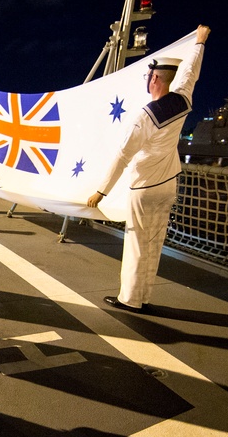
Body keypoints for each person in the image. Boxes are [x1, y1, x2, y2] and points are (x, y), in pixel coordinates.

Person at [86, 25, 211, 312]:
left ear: (155, 78)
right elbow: (191, 73)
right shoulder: (183, 101)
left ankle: (129, 300)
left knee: (136, 245)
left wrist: (100, 192)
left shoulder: (146, 116)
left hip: (143, 188)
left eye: (149, 76)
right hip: (168, 185)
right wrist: (200, 43)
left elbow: (122, 156)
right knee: (154, 245)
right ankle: (145, 297)